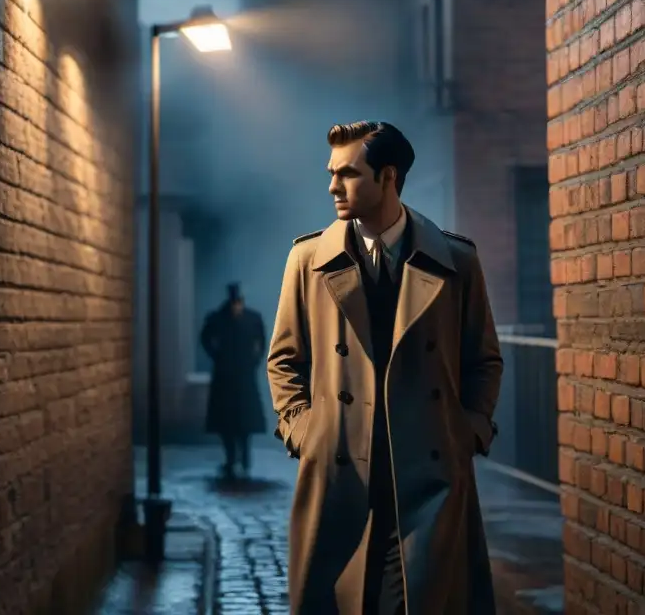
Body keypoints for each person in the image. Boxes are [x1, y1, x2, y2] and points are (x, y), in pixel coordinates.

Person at [266, 121, 503, 614]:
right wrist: (305, 433)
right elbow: (285, 359)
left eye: (348, 174)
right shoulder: (308, 259)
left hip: (428, 478)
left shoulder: (456, 260)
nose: (333, 186)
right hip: (339, 473)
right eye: (332, 173)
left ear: (388, 177)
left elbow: (484, 359)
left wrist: (469, 432)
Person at [201, 283, 268, 479]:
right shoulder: (218, 318)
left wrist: (254, 361)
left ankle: (244, 455)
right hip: (226, 375)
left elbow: (261, 341)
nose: (236, 306)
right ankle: (231, 458)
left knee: (244, 420)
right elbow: (205, 338)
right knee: (226, 421)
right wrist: (217, 356)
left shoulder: (252, 318)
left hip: (244, 375)